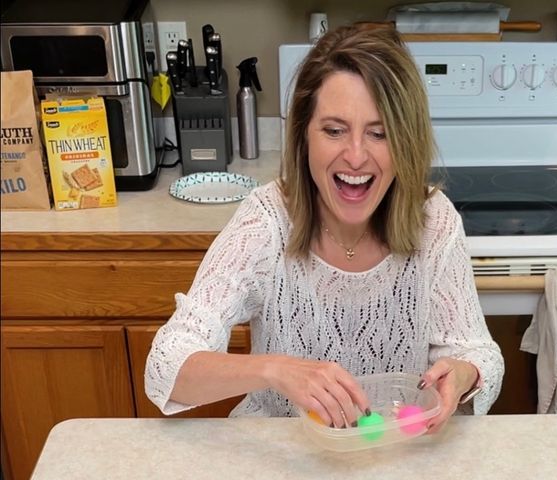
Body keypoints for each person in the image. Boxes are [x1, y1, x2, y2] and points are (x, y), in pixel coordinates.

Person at [145, 25, 503, 429]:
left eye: (379, 133)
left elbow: (481, 353)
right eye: (334, 131)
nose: (355, 157)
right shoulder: (266, 221)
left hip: (391, 456)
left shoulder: (434, 222)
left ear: (406, 141)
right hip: (283, 461)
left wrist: (462, 372)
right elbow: (166, 368)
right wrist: (274, 370)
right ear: (304, 137)